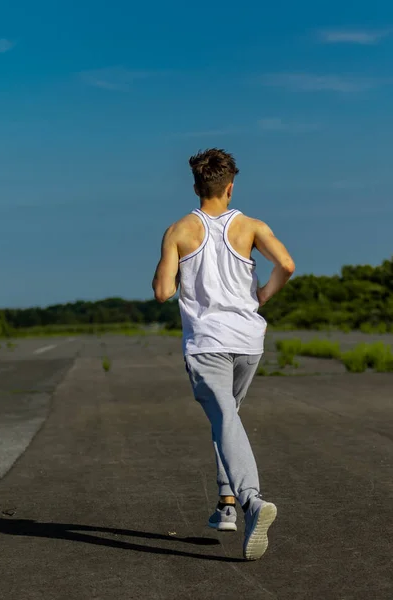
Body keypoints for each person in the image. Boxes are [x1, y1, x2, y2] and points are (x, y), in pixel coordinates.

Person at [152, 148, 295, 560]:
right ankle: (226, 504)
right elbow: (286, 263)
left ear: (197, 187)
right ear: (229, 187)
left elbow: (163, 292)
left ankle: (251, 502)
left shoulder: (178, 231)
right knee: (227, 419)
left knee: (225, 419)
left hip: (207, 344)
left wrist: (169, 264)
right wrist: (262, 295)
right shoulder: (251, 226)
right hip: (248, 343)